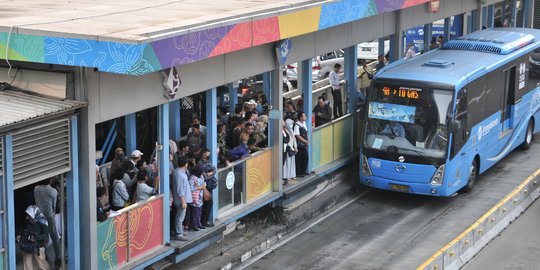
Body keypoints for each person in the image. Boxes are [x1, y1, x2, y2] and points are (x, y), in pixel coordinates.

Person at [34, 178, 62, 267]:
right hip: (49, 216)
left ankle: (45, 256)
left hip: (39, 216)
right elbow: (54, 205)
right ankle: (58, 258)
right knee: (54, 237)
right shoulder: (53, 191)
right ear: (50, 181)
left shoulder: (36, 189)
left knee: (42, 238)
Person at [17, 205, 50, 270]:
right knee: (27, 263)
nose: (28, 217)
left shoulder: (42, 222)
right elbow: (23, 228)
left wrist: (36, 238)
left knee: (41, 264)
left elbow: (46, 236)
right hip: (27, 243)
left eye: (29, 215)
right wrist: (19, 234)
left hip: (38, 245)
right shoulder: (28, 219)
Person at [172, 156, 192, 241]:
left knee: (180, 217)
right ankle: (179, 234)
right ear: (186, 164)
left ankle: (180, 231)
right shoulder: (179, 174)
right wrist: (183, 201)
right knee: (180, 217)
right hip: (180, 200)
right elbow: (180, 189)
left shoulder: (179, 171)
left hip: (182, 199)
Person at [198, 149, 217, 227]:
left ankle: (204, 221)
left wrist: (210, 174)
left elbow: (214, 170)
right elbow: (204, 176)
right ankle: (203, 221)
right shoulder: (200, 163)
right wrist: (211, 174)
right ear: (203, 155)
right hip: (203, 186)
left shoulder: (207, 162)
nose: (208, 156)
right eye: (207, 155)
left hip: (209, 185)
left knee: (208, 202)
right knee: (207, 203)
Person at [188, 164, 206, 231]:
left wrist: (204, 185)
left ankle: (199, 223)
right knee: (194, 212)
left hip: (200, 197)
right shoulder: (192, 177)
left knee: (199, 211)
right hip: (194, 198)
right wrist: (200, 187)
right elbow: (190, 188)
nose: (202, 173)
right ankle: (193, 225)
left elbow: (204, 183)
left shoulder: (201, 176)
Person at [293, 112, 309, 177]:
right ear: (301, 118)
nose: (305, 117)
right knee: (298, 159)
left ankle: (303, 171)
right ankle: (298, 172)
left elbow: (306, 131)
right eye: (304, 116)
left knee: (305, 157)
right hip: (299, 145)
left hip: (304, 144)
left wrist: (307, 140)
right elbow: (297, 135)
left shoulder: (304, 123)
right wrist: (305, 141)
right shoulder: (297, 125)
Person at [283, 119, 297, 185]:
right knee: (287, 163)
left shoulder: (291, 130)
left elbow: (294, 140)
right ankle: (286, 176)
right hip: (288, 149)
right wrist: (292, 148)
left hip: (292, 149)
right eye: (290, 124)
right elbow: (286, 141)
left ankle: (291, 175)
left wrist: (295, 147)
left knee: (292, 162)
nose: (291, 125)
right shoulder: (285, 131)